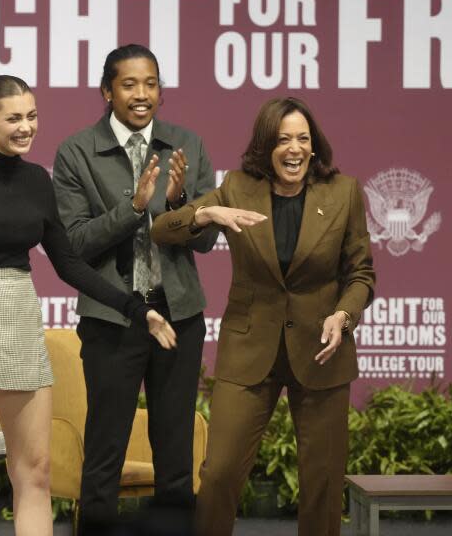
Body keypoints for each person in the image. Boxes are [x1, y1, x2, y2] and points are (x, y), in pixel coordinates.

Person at [0, 75, 176, 536]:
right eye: (14, 118)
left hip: (20, 314)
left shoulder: (39, 180)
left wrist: (137, 308)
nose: (26, 127)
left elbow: (69, 265)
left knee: (35, 471)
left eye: (32, 116)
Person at [151, 97, 376, 536]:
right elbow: (162, 229)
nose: (294, 148)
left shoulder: (344, 191)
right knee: (217, 474)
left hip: (320, 349)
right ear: (265, 145)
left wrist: (343, 316)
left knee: (322, 483)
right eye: (283, 139)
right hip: (249, 348)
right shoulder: (237, 186)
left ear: (314, 146)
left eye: (303, 139)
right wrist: (207, 212)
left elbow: (361, 273)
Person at [51, 44, 218, 533]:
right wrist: (133, 208)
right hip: (112, 319)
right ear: (107, 91)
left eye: (150, 84)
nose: (141, 95)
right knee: (104, 456)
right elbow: (74, 243)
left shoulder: (187, 144)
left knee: (175, 457)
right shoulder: (77, 152)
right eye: (129, 84)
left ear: (161, 91)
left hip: (179, 317)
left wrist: (179, 202)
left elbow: (207, 239)